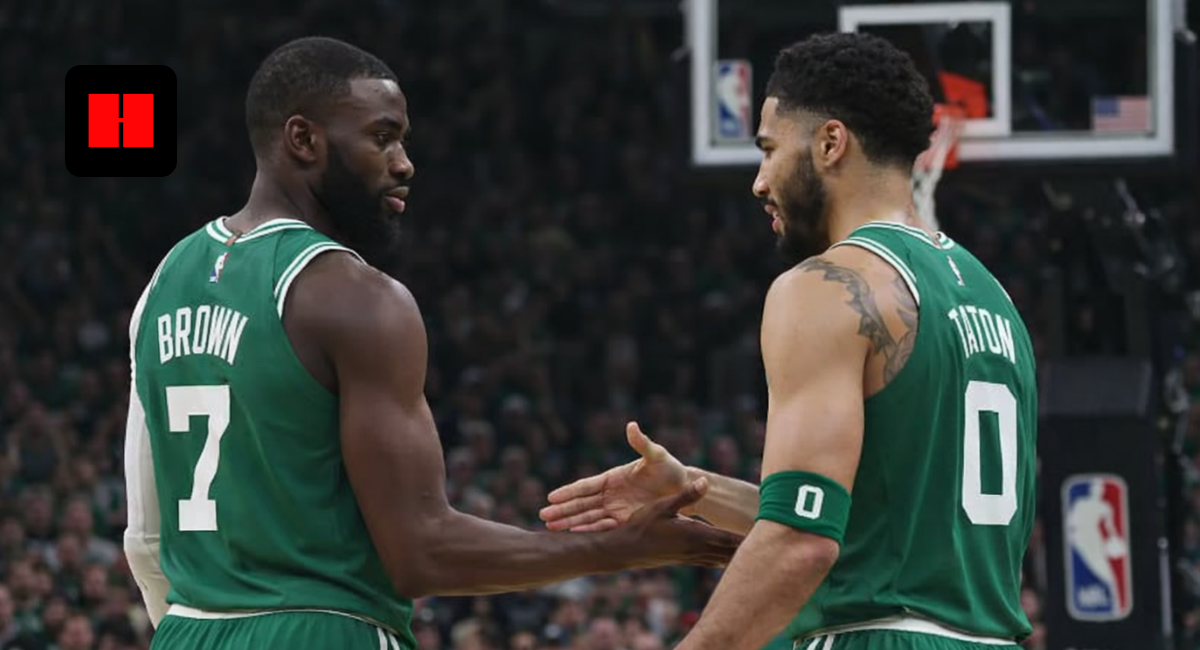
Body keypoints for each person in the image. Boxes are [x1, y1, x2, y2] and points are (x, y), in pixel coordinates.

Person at [121, 36, 741, 650]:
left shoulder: (163, 283)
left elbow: (145, 535)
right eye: (381, 136)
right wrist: (614, 549)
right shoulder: (355, 295)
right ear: (303, 140)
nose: (404, 162)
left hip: (188, 629)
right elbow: (420, 551)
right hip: (325, 628)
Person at [540, 32, 1038, 650]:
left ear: (830, 143)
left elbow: (803, 544)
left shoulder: (828, 285)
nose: (758, 181)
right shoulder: (993, 297)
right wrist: (699, 490)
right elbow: (875, 532)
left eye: (769, 149)